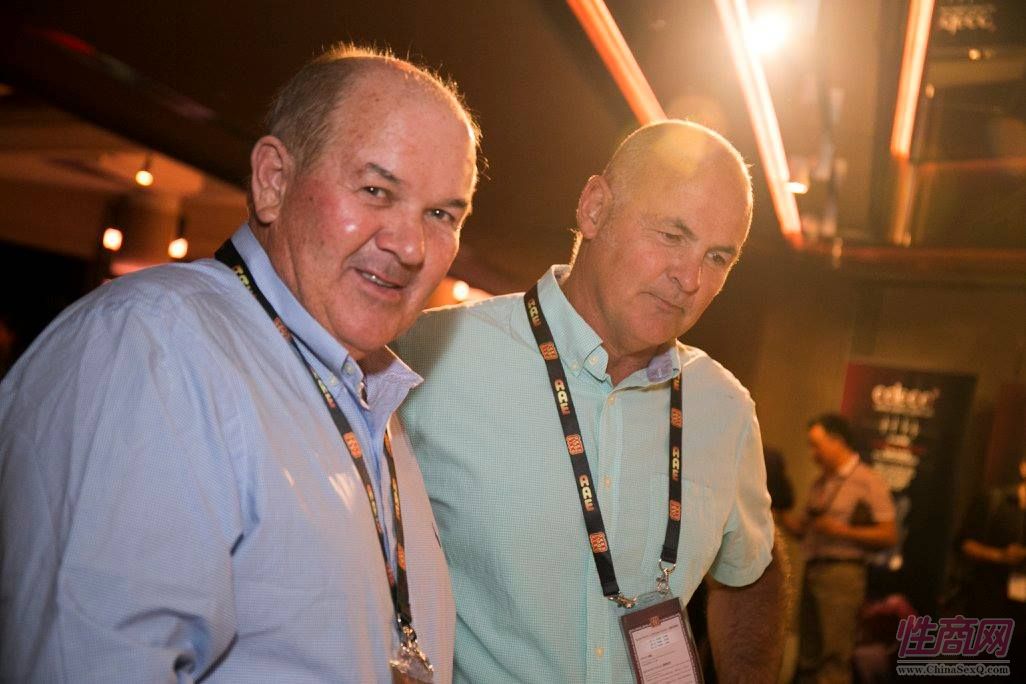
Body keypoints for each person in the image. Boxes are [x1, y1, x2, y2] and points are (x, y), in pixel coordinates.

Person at [0, 44, 479, 682]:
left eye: (441, 214)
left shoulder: (365, 396)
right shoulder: (151, 349)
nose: (411, 246)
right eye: (375, 190)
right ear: (273, 181)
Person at [395, 120, 786, 683]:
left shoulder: (723, 406)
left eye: (718, 257)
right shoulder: (427, 360)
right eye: (672, 236)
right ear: (594, 209)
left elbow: (751, 568)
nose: (690, 279)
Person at [780, 413, 897, 684]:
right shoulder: (821, 482)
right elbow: (804, 530)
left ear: (837, 441)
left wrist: (841, 531)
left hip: (843, 575)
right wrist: (778, 513)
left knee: (833, 656)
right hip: (813, 569)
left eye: (816, 446)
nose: (813, 454)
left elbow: (889, 535)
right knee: (807, 655)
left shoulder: (869, 480)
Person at [950, 452, 1026, 671]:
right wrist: (1000, 556)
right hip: (987, 604)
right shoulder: (994, 500)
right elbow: (964, 543)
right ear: (1023, 467)